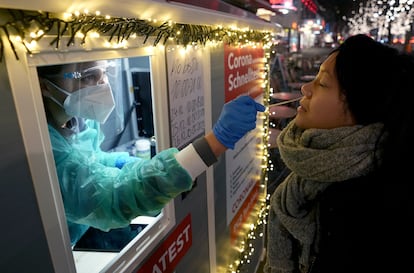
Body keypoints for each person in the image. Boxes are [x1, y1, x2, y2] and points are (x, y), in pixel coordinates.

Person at [37, 60, 265, 248]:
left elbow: (92, 161)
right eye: (87, 76)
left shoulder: (79, 123)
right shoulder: (43, 150)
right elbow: (115, 197)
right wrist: (216, 141)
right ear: (45, 86)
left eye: (103, 73)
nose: (101, 85)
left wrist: (121, 162)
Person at [264, 34, 412, 273]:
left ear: (360, 107)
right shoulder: (314, 178)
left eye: (322, 83)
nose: (305, 88)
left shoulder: (367, 211)